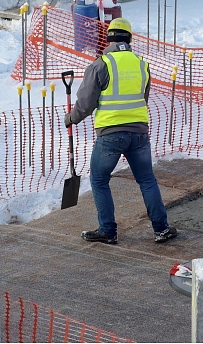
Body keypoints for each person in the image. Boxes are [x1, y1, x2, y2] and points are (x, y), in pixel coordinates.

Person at [64, 17, 177, 245]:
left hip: (110, 135)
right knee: (147, 180)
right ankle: (161, 229)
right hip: (139, 134)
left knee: (99, 179)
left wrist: (72, 118)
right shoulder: (141, 65)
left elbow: (86, 103)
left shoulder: (101, 64)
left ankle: (107, 230)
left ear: (109, 39)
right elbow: (142, 98)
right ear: (130, 39)